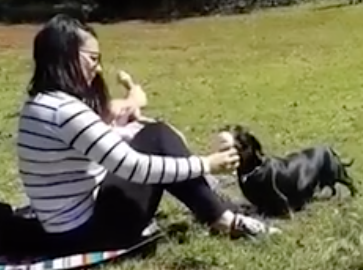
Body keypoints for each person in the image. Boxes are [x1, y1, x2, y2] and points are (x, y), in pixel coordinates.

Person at [4, 15, 280, 257]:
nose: (98, 69)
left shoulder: (40, 104)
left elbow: (96, 146)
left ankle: (220, 213)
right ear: (66, 56)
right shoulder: (64, 110)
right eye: (92, 59)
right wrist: (206, 163)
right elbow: (133, 167)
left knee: (151, 136)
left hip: (64, 229)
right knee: (157, 137)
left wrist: (128, 125)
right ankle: (224, 219)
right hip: (87, 234)